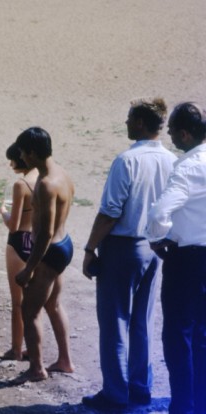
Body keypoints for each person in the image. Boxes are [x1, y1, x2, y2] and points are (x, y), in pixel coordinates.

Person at [81, 98, 176, 411]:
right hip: (155, 248)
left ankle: (115, 393)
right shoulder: (170, 160)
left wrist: (90, 248)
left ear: (139, 122)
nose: (125, 124)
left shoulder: (127, 160)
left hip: (123, 247)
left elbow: (110, 212)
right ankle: (140, 388)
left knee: (115, 323)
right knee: (142, 322)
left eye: (128, 119)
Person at [146, 102, 206, 414]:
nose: (170, 136)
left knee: (178, 335)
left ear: (185, 133)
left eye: (172, 132)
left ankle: (183, 405)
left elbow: (159, 212)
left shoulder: (187, 167)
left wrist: (158, 238)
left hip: (187, 259)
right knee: (202, 335)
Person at [13, 127, 75, 384]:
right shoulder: (62, 174)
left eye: (24, 154)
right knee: (54, 304)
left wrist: (29, 268)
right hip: (64, 244)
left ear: (33, 152)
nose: (22, 159)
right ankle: (65, 360)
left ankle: (37, 368)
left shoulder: (47, 184)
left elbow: (45, 233)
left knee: (29, 310)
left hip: (50, 250)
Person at [0, 142, 38, 361]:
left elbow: (13, 224)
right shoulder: (44, 178)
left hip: (19, 240)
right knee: (36, 300)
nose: (11, 164)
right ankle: (34, 348)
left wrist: (3, 212)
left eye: (12, 160)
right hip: (37, 240)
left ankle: (15, 349)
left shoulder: (21, 184)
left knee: (18, 302)